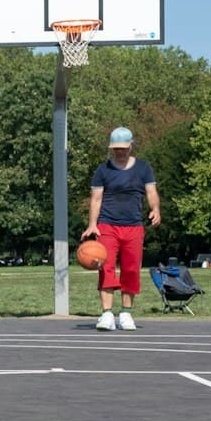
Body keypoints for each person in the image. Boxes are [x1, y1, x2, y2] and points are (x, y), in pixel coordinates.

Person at [83, 125, 161, 331]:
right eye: (116, 148)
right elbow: (96, 198)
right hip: (107, 226)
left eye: (123, 148)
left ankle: (126, 313)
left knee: (131, 270)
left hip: (133, 227)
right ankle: (107, 315)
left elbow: (151, 192)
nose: (120, 151)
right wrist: (92, 224)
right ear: (112, 148)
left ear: (130, 146)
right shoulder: (103, 170)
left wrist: (155, 209)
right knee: (106, 268)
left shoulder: (143, 168)